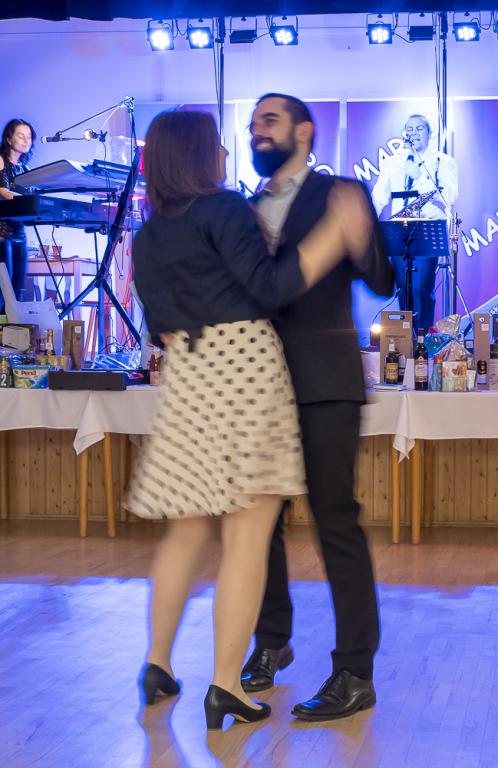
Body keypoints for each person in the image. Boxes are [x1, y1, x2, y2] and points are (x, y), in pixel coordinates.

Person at [125, 109, 376, 730]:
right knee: (247, 534)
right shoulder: (226, 209)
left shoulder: (148, 236)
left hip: (188, 374)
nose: (227, 149)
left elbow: (158, 324)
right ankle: (226, 683)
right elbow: (270, 287)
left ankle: (158, 664)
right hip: (245, 368)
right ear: (197, 154)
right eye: (217, 143)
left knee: (186, 531)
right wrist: (333, 235)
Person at [240, 93, 394, 722]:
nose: (257, 130)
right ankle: (271, 642)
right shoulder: (243, 209)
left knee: (336, 520)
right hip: (258, 382)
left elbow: (382, 280)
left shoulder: (341, 193)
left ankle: (354, 672)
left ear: (303, 131)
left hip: (326, 380)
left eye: (268, 120)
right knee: (260, 522)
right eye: (253, 123)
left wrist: (360, 240)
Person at [371, 114, 458, 331]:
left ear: (429, 133)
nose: (414, 133)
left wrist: (424, 178)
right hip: (399, 230)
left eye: (419, 129)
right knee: (404, 288)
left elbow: (450, 195)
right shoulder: (393, 162)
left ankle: (422, 338)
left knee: (422, 288)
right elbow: (378, 197)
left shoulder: (441, 161)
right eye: (409, 129)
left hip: (427, 230)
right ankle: (406, 338)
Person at [0, 119, 36, 311]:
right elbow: (3, 191)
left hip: (19, 232)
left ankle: (12, 328)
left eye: (29, 137)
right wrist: (26, 201)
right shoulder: (1, 160)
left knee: (18, 289)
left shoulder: (26, 169)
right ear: (8, 138)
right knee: (3, 291)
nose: (25, 140)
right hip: (2, 231)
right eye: (21, 136)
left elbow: (33, 196)